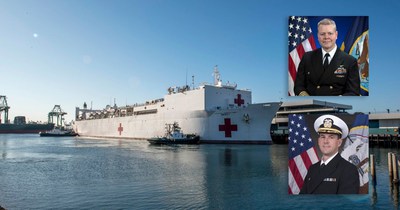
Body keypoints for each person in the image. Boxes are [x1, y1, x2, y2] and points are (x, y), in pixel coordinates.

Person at [294, 18, 360, 96]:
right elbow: (298, 86)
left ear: (336, 35)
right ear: (318, 36)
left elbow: (353, 92)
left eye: (330, 33)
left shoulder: (350, 61)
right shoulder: (307, 57)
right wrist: (305, 96)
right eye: (322, 34)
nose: (326, 37)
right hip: (311, 105)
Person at [300, 114, 359, 194]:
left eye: (331, 137)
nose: (326, 141)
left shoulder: (349, 170)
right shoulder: (312, 168)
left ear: (339, 142)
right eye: (323, 137)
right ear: (318, 141)